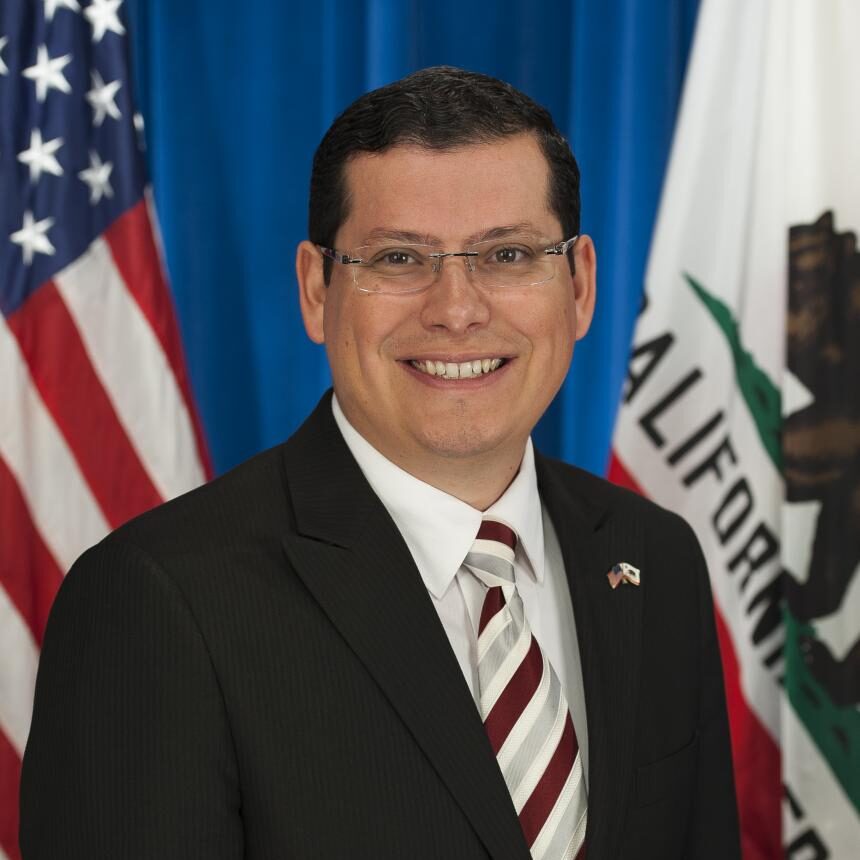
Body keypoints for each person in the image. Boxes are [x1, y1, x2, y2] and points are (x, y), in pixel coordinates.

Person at [20, 67, 740, 859]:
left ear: (579, 286)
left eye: (506, 254)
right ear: (316, 291)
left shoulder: (653, 558)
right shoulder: (158, 601)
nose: (458, 308)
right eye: (400, 259)